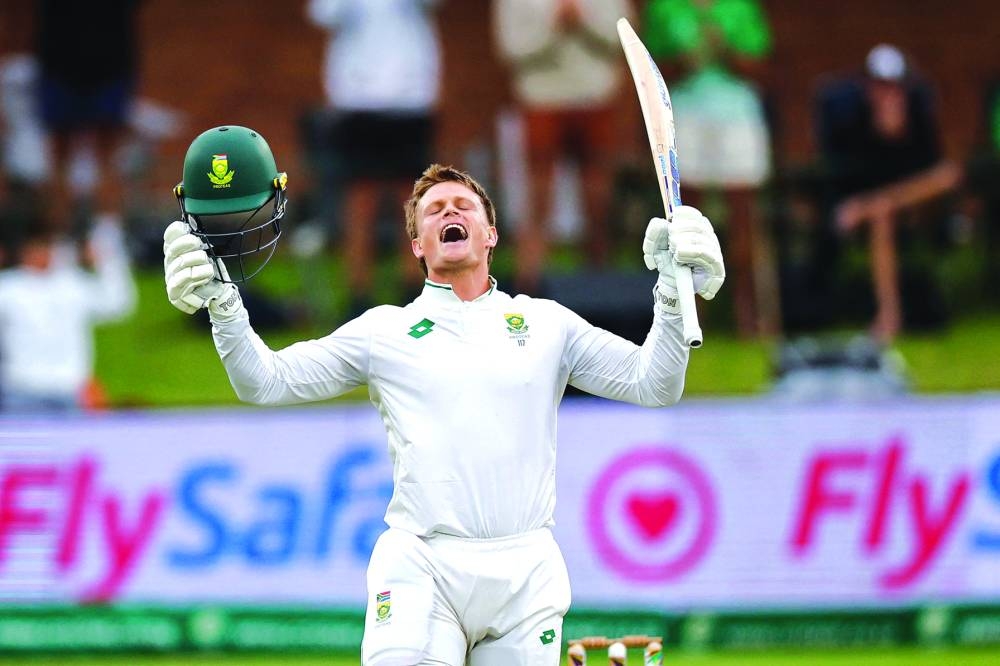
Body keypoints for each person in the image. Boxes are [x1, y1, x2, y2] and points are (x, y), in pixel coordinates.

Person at [164, 150, 723, 663]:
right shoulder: (385, 331)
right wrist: (224, 305)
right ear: (418, 245)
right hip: (422, 565)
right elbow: (265, 382)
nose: (448, 211)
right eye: (432, 210)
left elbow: (656, 384)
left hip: (526, 572)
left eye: (462, 205)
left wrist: (673, 294)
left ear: (490, 234)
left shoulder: (547, 323)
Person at [642, 0, 778, 338]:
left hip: (737, 116)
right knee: (685, 224)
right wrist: (687, 58)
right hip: (684, 117)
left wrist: (723, 48)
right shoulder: (665, 8)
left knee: (744, 222)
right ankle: (688, 319)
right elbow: (651, 73)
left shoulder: (741, 7)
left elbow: (762, 68)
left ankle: (750, 319)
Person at [305, 0, 442, 318]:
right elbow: (324, 14)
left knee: (414, 199)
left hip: (412, 97)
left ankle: (415, 291)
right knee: (359, 200)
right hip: (357, 97)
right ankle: (358, 294)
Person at [815, 43, 961, 341]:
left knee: (889, 204)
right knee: (882, 214)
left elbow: (944, 174)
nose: (888, 95)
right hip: (871, 214)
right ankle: (889, 316)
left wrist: (877, 203)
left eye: (894, 87)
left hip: (916, 205)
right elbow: (839, 180)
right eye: (881, 87)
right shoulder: (847, 118)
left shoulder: (919, 111)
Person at [493, 0, 633, 295]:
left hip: (596, 97)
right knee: (538, 194)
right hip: (540, 98)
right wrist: (555, 25)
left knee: (597, 193)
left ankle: (601, 287)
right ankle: (527, 287)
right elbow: (510, 47)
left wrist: (583, 20)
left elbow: (623, 36)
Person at [0, 216, 135, 413]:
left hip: (69, 389)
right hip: (21, 388)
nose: (41, 253)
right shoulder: (8, 287)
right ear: (23, 250)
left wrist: (106, 261)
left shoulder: (72, 284)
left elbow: (118, 305)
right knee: (26, 444)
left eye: (47, 246)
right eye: (36, 246)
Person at [34, 0, 144, 236]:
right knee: (58, 158)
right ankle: (58, 242)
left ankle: (108, 241)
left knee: (109, 157)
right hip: (59, 61)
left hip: (111, 61)